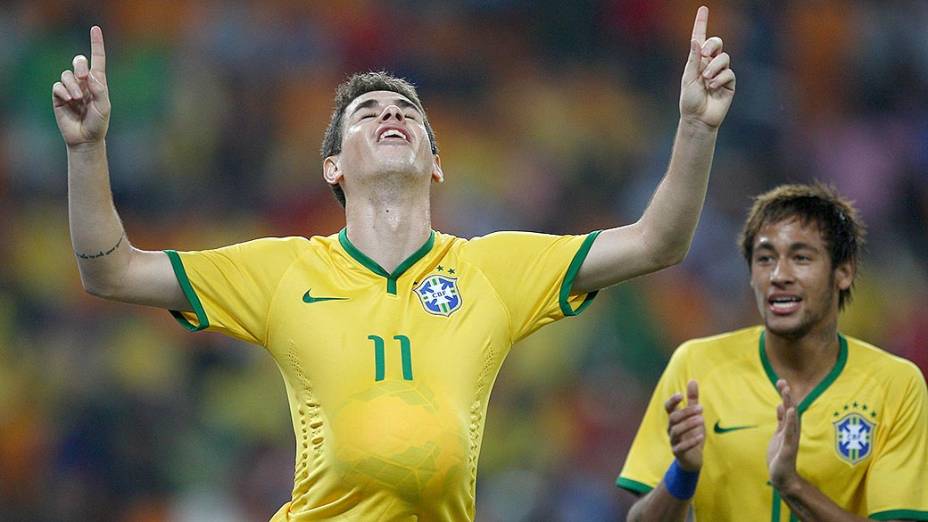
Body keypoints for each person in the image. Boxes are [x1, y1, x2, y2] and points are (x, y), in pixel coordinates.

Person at [53, 7, 735, 521]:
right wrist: (87, 151)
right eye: (367, 112)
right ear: (333, 166)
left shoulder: (493, 269)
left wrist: (697, 127)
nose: (391, 115)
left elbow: (657, 243)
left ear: (435, 163)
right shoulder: (284, 270)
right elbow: (109, 272)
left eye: (407, 110)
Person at [617, 183, 928, 521]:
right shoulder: (696, 366)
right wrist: (683, 473)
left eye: (801, 258)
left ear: (844, 272)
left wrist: (793, 486)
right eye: (765, 259)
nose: (779, 275)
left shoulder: (896, 385)